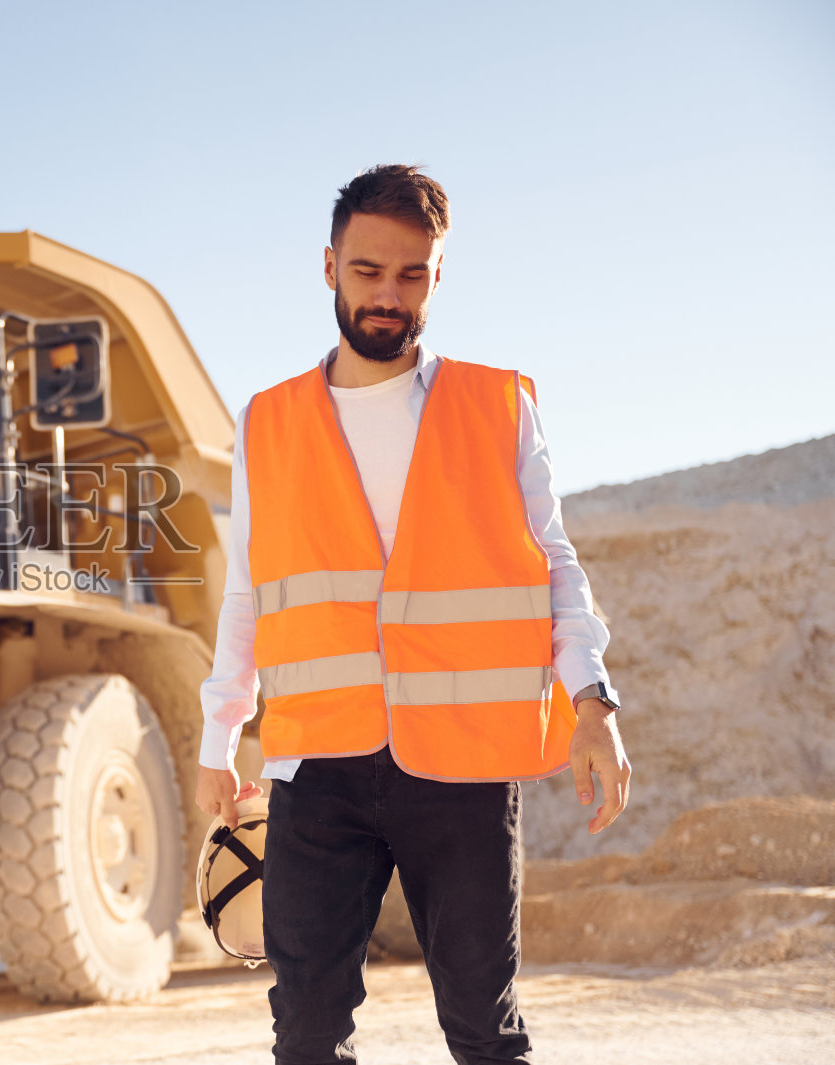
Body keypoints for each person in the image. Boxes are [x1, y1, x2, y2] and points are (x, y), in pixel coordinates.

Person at [194, 164, 632, 1065]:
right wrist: (219, 736)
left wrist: (593, 702)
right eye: (367, 272)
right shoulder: (266, 422)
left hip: (464, 763)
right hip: (317, 763)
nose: (388, 296)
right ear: (328, 267)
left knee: (482, 1026)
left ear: (439, 274)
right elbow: (249, 587)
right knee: (305, 1031)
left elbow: (555, 563)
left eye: (412, 274)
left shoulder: (498, 406)